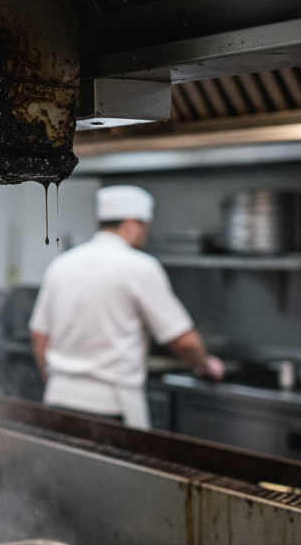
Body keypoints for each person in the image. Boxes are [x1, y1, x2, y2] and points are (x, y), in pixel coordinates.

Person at [29, 184, 224, 429]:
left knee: (64, 468)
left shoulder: (61, 264)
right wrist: (205, 364)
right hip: (111, 407)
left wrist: (57, 379)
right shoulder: (140, 267)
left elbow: (39, 333)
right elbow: (183, 341)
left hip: (58, 400)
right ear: (132, 223)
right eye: (145, 229)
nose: (144, 236)